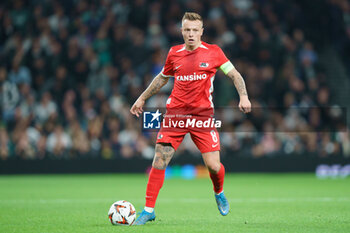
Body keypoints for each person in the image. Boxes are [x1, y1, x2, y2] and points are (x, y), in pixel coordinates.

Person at [130, 12, 251, 225]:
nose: (191, 34)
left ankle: (219, 191)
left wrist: (243, 96)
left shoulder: (214, 52)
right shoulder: (174, 53)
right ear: (182, 31)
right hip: (175, 114)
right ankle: (149, 210)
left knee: (213, 166)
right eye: (187, 30)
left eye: (195, 30)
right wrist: (141, 98)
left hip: (202, 116)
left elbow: (235, 75)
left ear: (202, 31)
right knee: (159, 159)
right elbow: (162, 79)